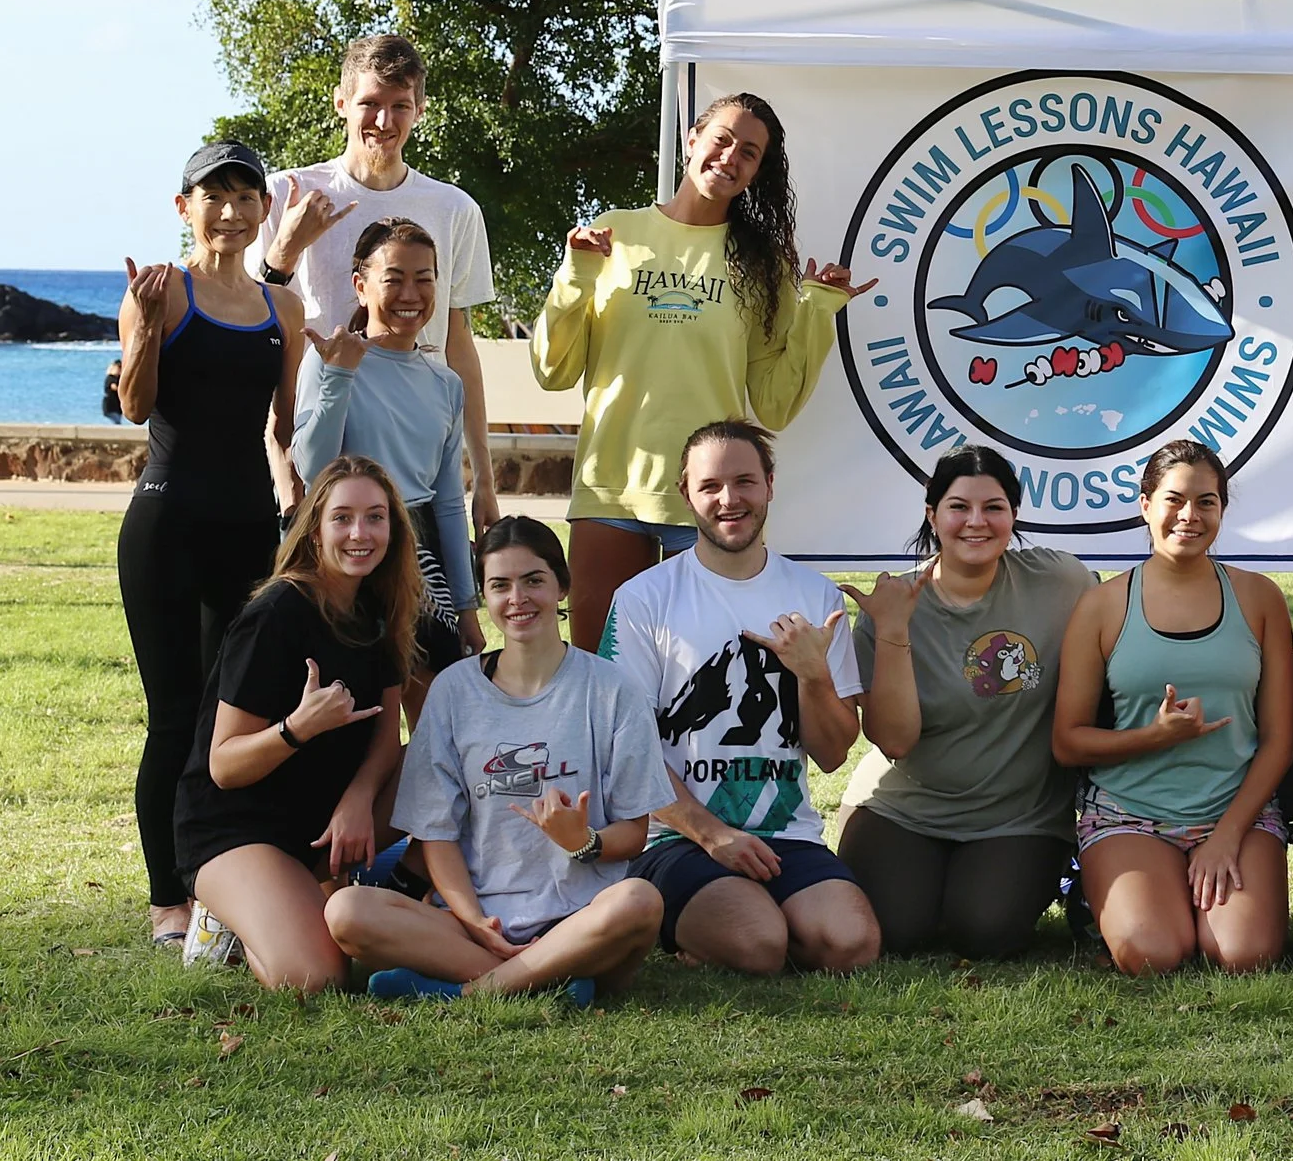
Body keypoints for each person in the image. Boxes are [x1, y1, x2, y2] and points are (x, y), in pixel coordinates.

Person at [534, 92, 875, 649]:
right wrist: (576, 273)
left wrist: (817, 310)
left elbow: (774, 405)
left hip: (711, 498)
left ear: (757, 171)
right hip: (612, 487)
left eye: (749, 152)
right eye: (722, 139)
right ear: (692, 140)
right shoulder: (612, 234)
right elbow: (552, 369)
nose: (730, 157)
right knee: (598, 674)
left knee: (702, 678)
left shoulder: (760, 265)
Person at [326, 517, 672, 1003]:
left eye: (533, 580)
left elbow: (634, 835)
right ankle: (550, 982)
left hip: (580, 917)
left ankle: (473, 991)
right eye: (500, 585)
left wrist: (585, 841)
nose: (517, 599)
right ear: (484, 597)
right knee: (347, 910)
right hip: (474, 922)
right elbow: (435, 834)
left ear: (562, 585)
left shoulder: (613, 690)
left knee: (641, 901)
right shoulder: (453, 691)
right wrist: (473, 921)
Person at [598, 421, 881, 975]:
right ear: (686, 494)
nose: (729, 499)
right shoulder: (642, 598)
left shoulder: (814, 593)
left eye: (745, 481)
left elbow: (831, 753)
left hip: (786, 832)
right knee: (757, 945)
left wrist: (812, 675)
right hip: (678, 836)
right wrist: (713, 833)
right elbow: (625, 749)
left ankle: (749, 921)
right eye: (710, 486)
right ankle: (687, 917)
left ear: (770, 485)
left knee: (852, 945)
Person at [116, 139, 306, 949]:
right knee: (173, 715)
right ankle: (168, 899)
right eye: (213, 196)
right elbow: (132, 407)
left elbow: (283, 423)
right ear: (184, 206)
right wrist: (151, 329)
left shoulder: (281, 308)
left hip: (246, 525)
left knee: (233, 714)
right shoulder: (161, 291)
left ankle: (220, 880)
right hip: (165, 522)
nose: (230, 211)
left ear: (264, 209)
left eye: (244, 197)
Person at [835, 447, 1096, 958]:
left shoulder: (1062, 583)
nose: (976, 522)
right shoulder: (892, 607)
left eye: (994, 507)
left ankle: (1041, 877)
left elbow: (1116, 645)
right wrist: (892, 632)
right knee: (896, 931)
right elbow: (895, 739)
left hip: (1020, 816)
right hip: (906, 807)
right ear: (932, 515)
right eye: (958, 507)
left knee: (985, 932)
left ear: (1013, 515)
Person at [171, 455, 416, 992]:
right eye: (343, 517)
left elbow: (385, 734)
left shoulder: (379, 606)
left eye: (376, 517)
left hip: (320, 819)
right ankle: (226, 916)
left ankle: (402, 887)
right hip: (238, 827)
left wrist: (358, 799)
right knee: (316, 976)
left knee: (435, 763)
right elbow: (224, 766)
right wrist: (297, 727)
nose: (361, 533)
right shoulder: (276, 614)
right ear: (314, 529)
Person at [1052, 440, 1293, 974]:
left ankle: (1185, 894)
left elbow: (1279, 739)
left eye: (1207, 502)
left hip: (1236, 813)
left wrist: (1228, 835)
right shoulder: (1101, 606)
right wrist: (1154, 737)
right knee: (1152, 953)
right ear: (1145, 505)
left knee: (1243, 955)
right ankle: (1108, 895)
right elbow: (1068, 741)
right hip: (1128, 814)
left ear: (1223, 511)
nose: (1189, 516)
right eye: (1173, 499)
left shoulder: (1259, 599)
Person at [256, 34, 501, 533]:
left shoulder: (455, 209)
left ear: (421, 109)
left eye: (400, 106)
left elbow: (459, 348)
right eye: (369, 104)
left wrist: (486, 481)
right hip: (319, 455)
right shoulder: (287, 194)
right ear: (341, 102)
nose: (384, 122)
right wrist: (285, 248)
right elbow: (253, 327)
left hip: (417, 460)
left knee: (429, 606)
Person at [291, 218, 479, 712]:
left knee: (436, 721)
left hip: (420, 559)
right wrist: (339, 375)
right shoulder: (328, 358)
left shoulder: (445, 384)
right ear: (361, 284)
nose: (410, 293)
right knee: (351, 714)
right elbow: (314, 470)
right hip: (345, 545)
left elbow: (446, 503)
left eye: (425, 278)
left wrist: (465, 605)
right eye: (394, 278)